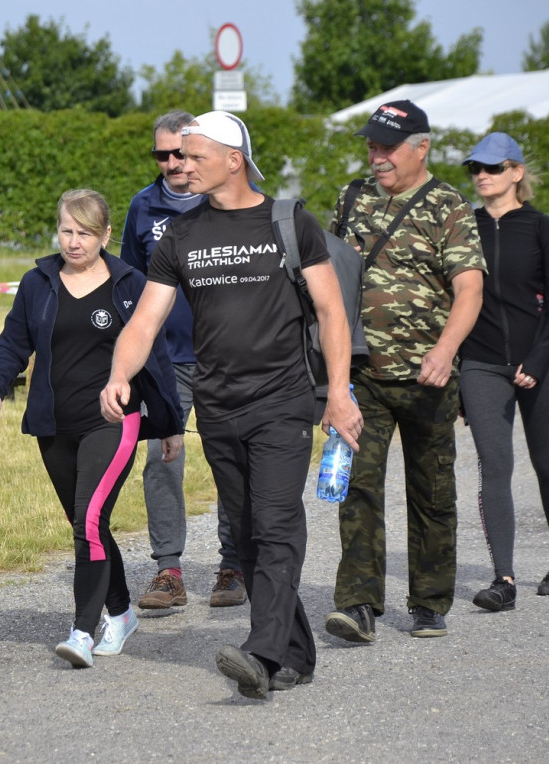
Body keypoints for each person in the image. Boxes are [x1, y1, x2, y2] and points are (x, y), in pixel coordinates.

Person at [101, 111, 361, 699]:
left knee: (275, 524)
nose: (181, 165)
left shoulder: (290, 222)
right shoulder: (181, 237)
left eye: (194, 156)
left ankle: (262, 654)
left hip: (282, 400)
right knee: (245, 537)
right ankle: (297, 652)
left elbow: (331, 312)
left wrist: (339, 393)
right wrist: (120, 373)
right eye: (179, 156)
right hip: (218, 407)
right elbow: (146, 318)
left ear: (233, 159)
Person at [0, 189, 183, 669]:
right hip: (54, 423)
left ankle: (83, 631)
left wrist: (170, 423)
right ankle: (119, 611)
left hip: (113, 420)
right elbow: (14, 342)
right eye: (67, 231)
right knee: (86, 524)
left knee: (89, 521)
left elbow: (155, 355)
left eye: (85, 233)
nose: (74, 242)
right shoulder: (37, 282)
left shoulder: (129, 282)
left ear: (106, 234)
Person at [324, 100, 485, 642]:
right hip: (362, 375)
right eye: (371, 146)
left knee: (432, 490)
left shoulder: (449, 206)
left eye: (387, 147)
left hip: (429, 380)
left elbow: (470, 289)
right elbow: (327, 284)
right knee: (357, 489)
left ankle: (430, 602)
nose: (377, 157)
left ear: (422, 147)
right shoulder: (350, 199)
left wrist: (445, 350)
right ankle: (359, 605)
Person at [121, 110, 245, 609]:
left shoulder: (226, 201)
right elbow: (128, 285)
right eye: (163, 154)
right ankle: (168, 570)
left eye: (183, 153)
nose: (174, 163)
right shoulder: (142, 208)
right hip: (165, 360)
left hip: (224, 356)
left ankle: (233, 565)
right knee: (161, 460)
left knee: (230, 460)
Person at [459, 132, 549, 611]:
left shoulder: (542, 227)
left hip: (543, 363)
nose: (482, 176)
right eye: (475, 169)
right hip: (482, 363)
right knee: (495, 467)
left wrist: (537, 360)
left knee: (546, 464)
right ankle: (503, 579)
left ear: (516, 172)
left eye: (492, 168)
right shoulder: (464, 227)